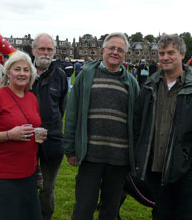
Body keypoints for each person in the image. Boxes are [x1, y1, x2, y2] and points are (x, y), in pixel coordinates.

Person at [133, 34, 192, 220]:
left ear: (182, 54)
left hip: (185, 172)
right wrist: (140, 153)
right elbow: (137, 123)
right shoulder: (149, 87)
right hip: (155, 169)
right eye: (162, 53)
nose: (165, 57)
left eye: (170, 52)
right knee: (161, 214)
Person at [64, 32, 139, 220]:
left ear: (125, 54)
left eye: (120, 50)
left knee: (110, 210)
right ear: (102, 50)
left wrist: (136, 156)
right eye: (111, 48)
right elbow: (72, 114)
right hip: (90, 156)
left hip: (119, 159)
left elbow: (137, 122)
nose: (115, 52)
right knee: (83, 208)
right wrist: (70, 149)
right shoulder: (86, 76)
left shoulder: (132, 82)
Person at [0, 51, 47, 220]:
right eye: (17, 69)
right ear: (8, 73)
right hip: (5, 174)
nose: (22, 73)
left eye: (26, 70)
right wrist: (9, 135)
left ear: (31, 74)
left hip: (29, 172)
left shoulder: (31, 98)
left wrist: (39, 135)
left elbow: (33, 124)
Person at [31, 33, 68, 220]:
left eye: (49, 49)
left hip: (52, 139)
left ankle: (45, 216)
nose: (46, 53)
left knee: (46, 187)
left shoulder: (60, 75)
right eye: (42, 49)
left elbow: (62, 105)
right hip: (24, 139)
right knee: (25, 184)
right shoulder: (22, 72)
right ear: (33, 50)